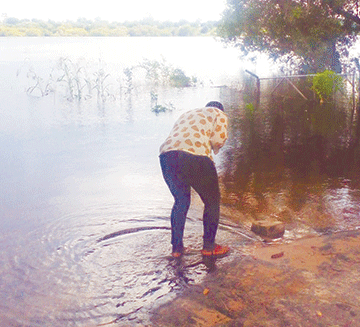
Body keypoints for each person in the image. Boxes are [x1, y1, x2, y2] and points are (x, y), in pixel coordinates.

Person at [159, 101, 230, 258]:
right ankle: (209, 247)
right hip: (195, 155)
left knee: (181, 201)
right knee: (212, 201)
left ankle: (177, 249)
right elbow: (218, 140)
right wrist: (215, 149)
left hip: (167, 155)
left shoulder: (187, 113)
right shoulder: (219, 114)